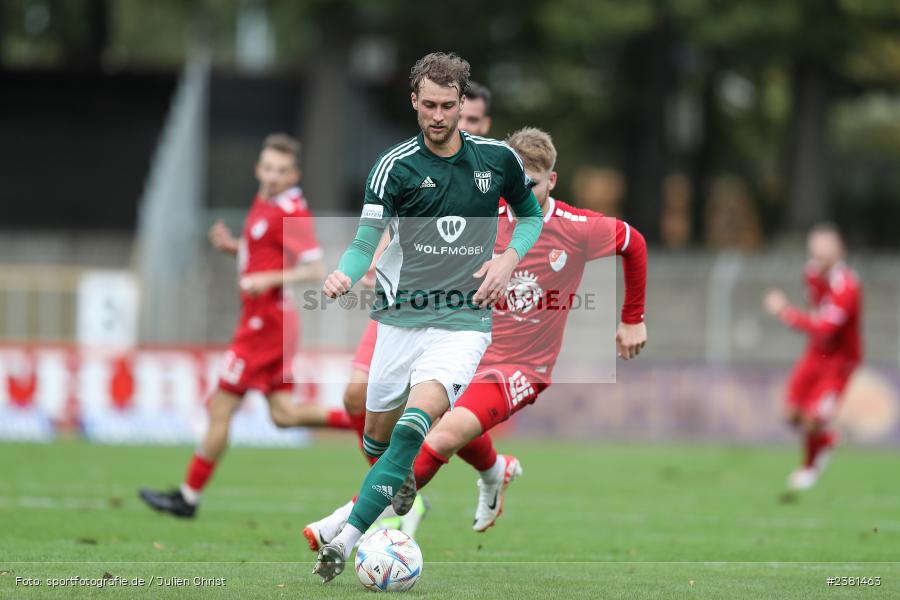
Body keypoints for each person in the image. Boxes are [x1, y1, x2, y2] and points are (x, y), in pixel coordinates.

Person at [307, 127, 648, 542]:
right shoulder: (483, 216)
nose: (519, 191)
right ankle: (493, 470)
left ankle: (351, 520)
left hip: (521, 368)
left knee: (443, 433)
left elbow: (635, 243)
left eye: (532, 183)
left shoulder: (576, 227)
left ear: (552, 180)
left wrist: (633, 317)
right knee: (415, 424)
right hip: (467, 347)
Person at [312, 52, 544, 583]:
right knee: (376, 436)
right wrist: (345, 274)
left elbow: (529, 215)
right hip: (399, 320)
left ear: (463, 104)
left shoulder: (496, 161)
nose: (438, 116)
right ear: (414, 102)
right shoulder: (393, 167)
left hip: (462, 323)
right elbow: (364, 241)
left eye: (448, 105)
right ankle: (397, 482)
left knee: (413, 429)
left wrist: (508, 259)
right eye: (429, 106)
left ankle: (345, 544)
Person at [139, 133, 353, 518]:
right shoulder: (265, 201)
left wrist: (265, 281)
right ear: (258, 168)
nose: (272, 176)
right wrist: (237, 248)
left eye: (281, 171)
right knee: (283, 415)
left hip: (265, 323)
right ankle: (362, 422)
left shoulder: (293, 211)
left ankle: (187, 498)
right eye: (268, 168)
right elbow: (264, 250)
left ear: (294, 175)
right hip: (268, 322)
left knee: (221, 405)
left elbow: (315, 268)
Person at [763, 223, 862, 492]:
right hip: (815, 354)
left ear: (838, 249)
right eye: (814, 244)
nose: (818, 250)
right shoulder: (811, 274)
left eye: (824, 245)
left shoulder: (848, 287)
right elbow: (816, 314)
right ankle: (828, 440)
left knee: (812, 419)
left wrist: (785, 311)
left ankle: (809, 466)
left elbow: (827, 327)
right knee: (790, 414)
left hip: (840, 361)